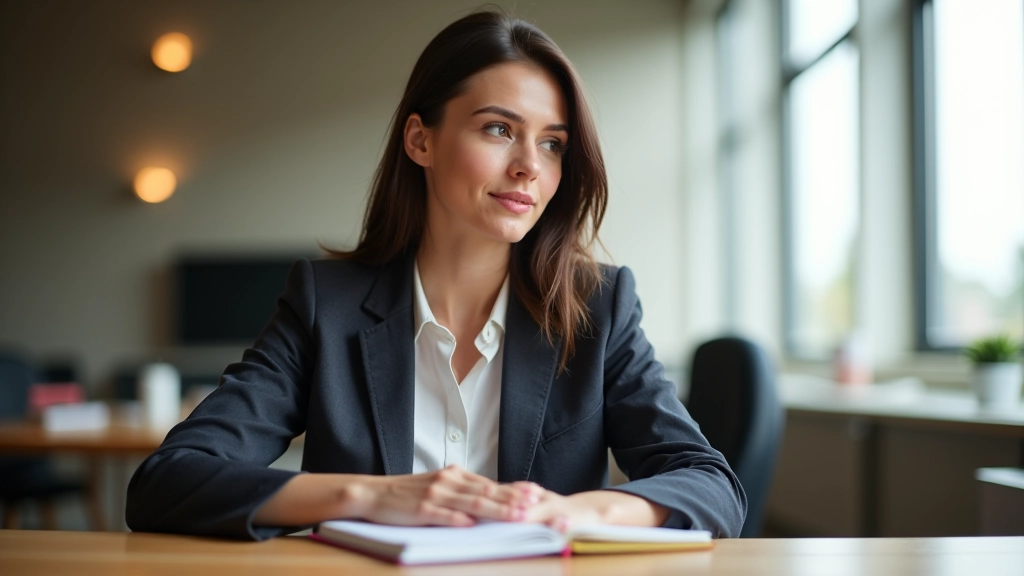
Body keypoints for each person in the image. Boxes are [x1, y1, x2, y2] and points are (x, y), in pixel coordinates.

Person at [125, 9, 746, 541]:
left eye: (553, 143)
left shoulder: (598, 307)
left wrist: (578, 513)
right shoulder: (326, 305)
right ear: (421, 141)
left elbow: (712, 487)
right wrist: (368, 499)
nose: (530, 166)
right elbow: (167, 481)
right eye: (499, 129)